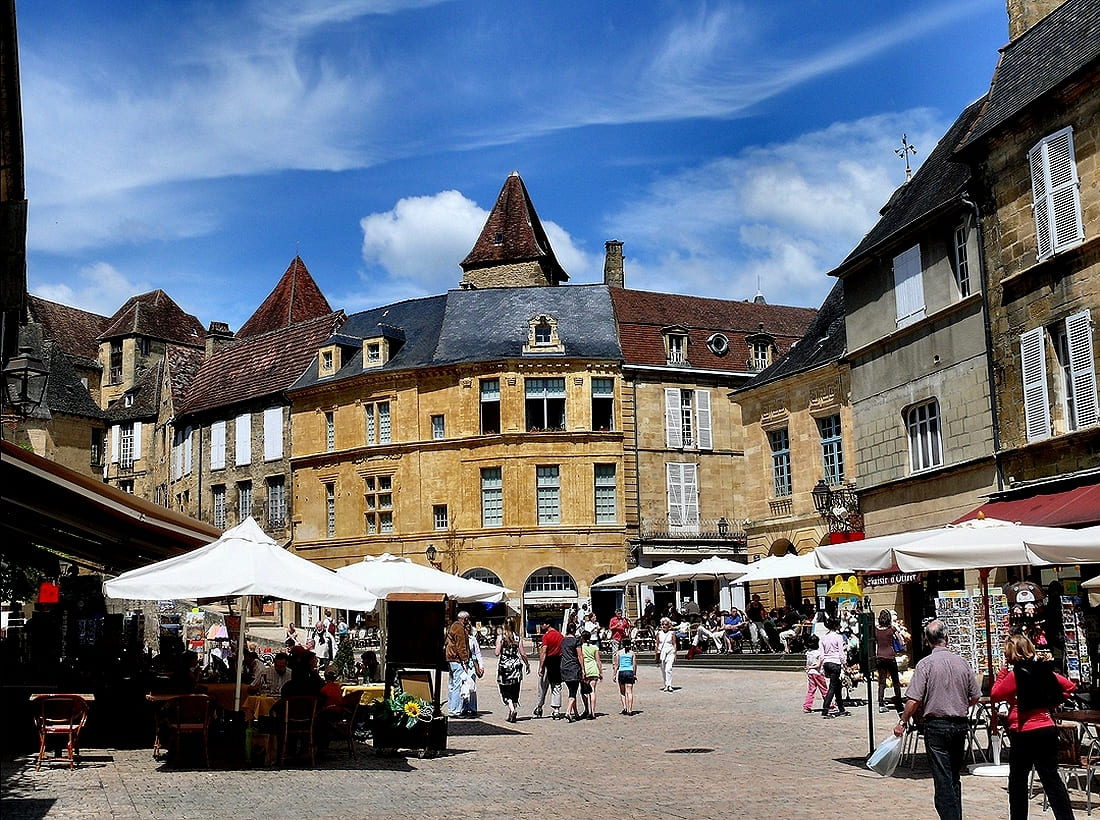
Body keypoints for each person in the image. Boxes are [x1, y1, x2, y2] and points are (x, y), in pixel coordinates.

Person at [893, 620, 981, 820]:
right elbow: (975, 696)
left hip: (937, 726)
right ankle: (955, 815)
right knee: (954, 776)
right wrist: (959, 705)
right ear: (947, 638)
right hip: (959, 725)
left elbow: (914, 699)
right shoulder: (962, 662)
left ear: (927, 641)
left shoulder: (925, 664)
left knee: (942, 778)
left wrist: (903, 722)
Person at [991, 634, 1076, 820]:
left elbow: (995, 694)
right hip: (1046, 728)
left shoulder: (1015, 675)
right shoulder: (1045, 671)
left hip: (1024, 732)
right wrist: (1051, 702)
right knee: (1051, 780)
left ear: (1012, 653)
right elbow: (1069, 687)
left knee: (1018, 782)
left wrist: (1003, 671)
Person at [495, 617, 530, 723]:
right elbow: (523, 653)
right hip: (516, 666)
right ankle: (511, 713)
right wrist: (527, 664)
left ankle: (511, 708)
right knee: (515, 689)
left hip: (504, 668)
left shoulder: (501, 637)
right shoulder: (517, 637)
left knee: (504, 690)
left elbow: (497, 653)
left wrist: (500, 648)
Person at [819, 617, 850, 719]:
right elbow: (841, 654)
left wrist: (823, 666)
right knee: (832, 686)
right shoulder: (838, 637)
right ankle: (825, 708)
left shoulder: (823, 637)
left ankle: (841, 707)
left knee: (837, 686)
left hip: (827, 663)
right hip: (835, 663)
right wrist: (845, 665)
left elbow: (822, 655)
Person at [875, 609, 904, 713]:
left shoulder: (875, 630)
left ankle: (881, 703)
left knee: (881, 681)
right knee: (895, 680)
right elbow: (901, 641)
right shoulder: (892, 629)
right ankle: (898, 699)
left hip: (879, 657)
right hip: (890, 657)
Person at [533, 620, 564, 719]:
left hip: (548, 662)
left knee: (542, 686)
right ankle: (556, 710)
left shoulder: (546, 636)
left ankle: (539, 707)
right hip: (558, 662)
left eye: (543, 624)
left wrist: (541, 666)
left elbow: (544, 652)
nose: (542, 626)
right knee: (556, 686)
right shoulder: (560, 636)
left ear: (548, 624)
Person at [445, 611, 472, 717]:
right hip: (457, 660)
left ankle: (451, 708)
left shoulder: (453, 626)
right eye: (467, 619)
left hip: (450, 658)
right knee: (458, 685)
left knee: (452, 685)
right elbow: (461, 646)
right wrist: (465, 660)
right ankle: (455, 710)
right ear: (464, 619)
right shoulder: (460, 628)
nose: (468, 621)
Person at [560, 628, 585, 722]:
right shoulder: (576, 641)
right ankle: (568, 712)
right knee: (573, 691)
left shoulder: (563, 640)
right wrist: (583, 668)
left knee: (571, 690)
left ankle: (576, 713)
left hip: (564, 666)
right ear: (574, 631)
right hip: (573, 667)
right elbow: (580, 655)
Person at [802, 634, 830, 714]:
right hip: (817, 673)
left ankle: (807, 706)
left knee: (811, 690)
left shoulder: (808, 653)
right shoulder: (819, 653)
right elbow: (818, 665)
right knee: (824, 690)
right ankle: (830, 705)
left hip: (810, 674)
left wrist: (809, 668)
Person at [463, 622, 485, 717]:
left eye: (468, 628)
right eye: (465, 628)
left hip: (471, 665)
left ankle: (473, 708)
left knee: (472, 686)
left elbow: (477, 653)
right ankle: (464, 707)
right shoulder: (459, 639)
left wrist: (481, 666)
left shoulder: (472, 639)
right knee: (463, 687)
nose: (467, 630)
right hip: (462, 665)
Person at [580, 631, 602, 719]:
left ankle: (586, 709)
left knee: (584, 692)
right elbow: (598, 660)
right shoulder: (594, 647)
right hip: (593, 669)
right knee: (592, 691)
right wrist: (600, 672)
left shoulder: (581, 647)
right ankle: (593, 712)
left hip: (585, 669)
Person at [615, 638, 637, 716]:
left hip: (622, 672)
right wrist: (634, 674)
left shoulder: (619, 653)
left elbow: (616, 665)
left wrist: (614, 674)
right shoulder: (632, 653)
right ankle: (630, 709)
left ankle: (625, 707)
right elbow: (634, 665)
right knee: (630, 692)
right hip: (630, 672)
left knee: (622, 692)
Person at [655, 617, 678, 692]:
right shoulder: (659, 633)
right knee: (663, 669)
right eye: (662, 624)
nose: (664, 626)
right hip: (662, 652)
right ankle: (665, 684)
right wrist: (656, 655)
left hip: (670, 651)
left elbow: (674, 644)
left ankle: (669, 685)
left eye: (665, 624)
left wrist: (675, 654)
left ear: (669, 625)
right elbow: (657, 644)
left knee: (669, 668)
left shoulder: (672, 633)